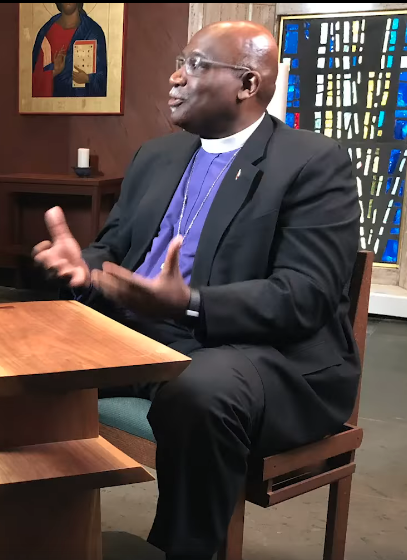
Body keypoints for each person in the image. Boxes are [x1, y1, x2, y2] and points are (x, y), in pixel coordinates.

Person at [33, 21, 360, 560]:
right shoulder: (156, 157)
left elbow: (305, 296)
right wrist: (82, 269)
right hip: (144, 338)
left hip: (260, 356)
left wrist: (189, 302)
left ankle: (181, 550)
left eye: (195, 65)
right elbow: (112, 248)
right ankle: (46, 537)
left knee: (202, 389)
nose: (175, 77)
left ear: (248, 84)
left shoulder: (312, 163)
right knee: (20, 352)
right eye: (180, 62)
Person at [31, 2, 107, 97]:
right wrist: (54, 71)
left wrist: (88, 78)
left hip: (82, 106)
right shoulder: (46, 32)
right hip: (52, 107)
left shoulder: (93, 32)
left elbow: (104, 79)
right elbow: (33, 80)